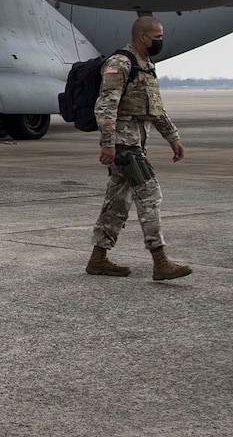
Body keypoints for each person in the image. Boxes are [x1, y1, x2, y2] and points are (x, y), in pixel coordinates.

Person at [87, 15, 192, 281]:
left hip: (136, 142)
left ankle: (98, 259)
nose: (160, 41)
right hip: (124, 145)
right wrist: (108, 144)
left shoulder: (146, 65)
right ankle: (160, 261)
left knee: (117, 203)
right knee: (150, 196)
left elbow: (155, 109)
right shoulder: (120, 63)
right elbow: (106, 107)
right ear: (142, 37)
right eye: (156, 37)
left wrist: (173, 138)